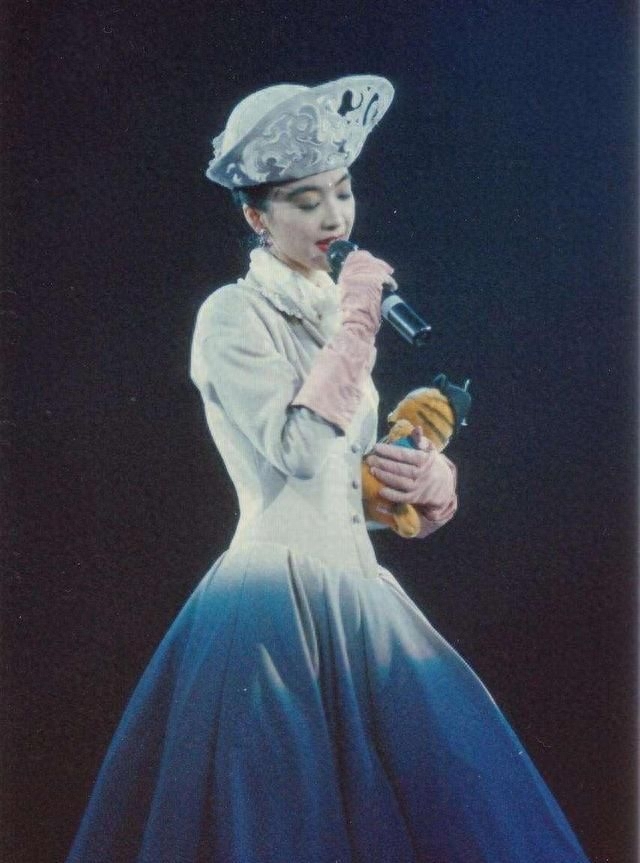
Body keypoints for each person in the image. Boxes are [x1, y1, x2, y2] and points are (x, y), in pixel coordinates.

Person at [66, 75, 589, 862]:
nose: (334, 218)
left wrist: (424, 484)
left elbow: (344, 481)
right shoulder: (233, 314)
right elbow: (298, 450)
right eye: (306, 201)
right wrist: (357, 326)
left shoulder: (335, 315)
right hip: (272, 603)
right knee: (283, 816)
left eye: (341, 192)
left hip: (355, 591)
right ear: (256, 215)